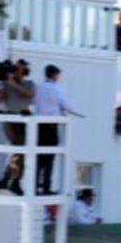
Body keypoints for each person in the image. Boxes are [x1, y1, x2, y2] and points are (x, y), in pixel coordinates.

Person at [32, 64, 74, 195]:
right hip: (51, 125)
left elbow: (35, 103)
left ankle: (34, 186)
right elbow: (68, 106)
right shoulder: (57, 89)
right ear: (54, 75)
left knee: (39, 158)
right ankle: (46, 187)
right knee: (49, 158)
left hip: (39, 126)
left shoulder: (38, 88)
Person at [0, 59, 36, 195]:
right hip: (10, 117)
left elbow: (29, 95)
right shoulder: (7, 84)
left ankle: (10, 178)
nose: (17, 72)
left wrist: (13, 83)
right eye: (16, 69)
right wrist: (0, 84)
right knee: (18, 149)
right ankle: (13, 180)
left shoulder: (29, 84)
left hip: (23, 117)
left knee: (21, 151)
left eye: (20, 69)